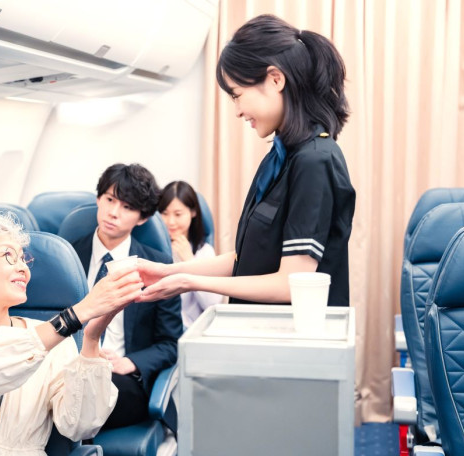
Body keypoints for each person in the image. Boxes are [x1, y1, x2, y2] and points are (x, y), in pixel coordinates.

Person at [138, 14, 356, 307]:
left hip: (293, 341)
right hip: (261, 330)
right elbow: (246, 259)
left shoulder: (315, 162)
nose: (238, 111)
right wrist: (169, 271)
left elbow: (293, 283)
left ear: (276, 79)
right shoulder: (280, 158)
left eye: (237, 95)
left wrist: (188, 283)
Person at [0, 212, 144, 456]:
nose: (23, 267)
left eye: (24, 258)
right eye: (8, 256)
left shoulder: (58, 343)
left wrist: (90, 340)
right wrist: (73, 317)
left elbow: (79, 426)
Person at [69, 163, 182, 431]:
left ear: (142, 218)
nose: (113, 213)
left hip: (120, 379)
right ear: (98, 199)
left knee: (86, 395)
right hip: (67, 368)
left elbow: (170, 343)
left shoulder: (158, 268)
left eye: (127, 207)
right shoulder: (69, 258)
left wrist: (128, 363)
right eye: (109, 200)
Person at [158, 180, 222, 327]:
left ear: (193, 212)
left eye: (178, 214)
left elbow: (212, 304)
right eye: (165, 213)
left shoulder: (204, 252)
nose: (171, 222)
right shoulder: (152, 251)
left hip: (192, 330)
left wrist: (190, 262)